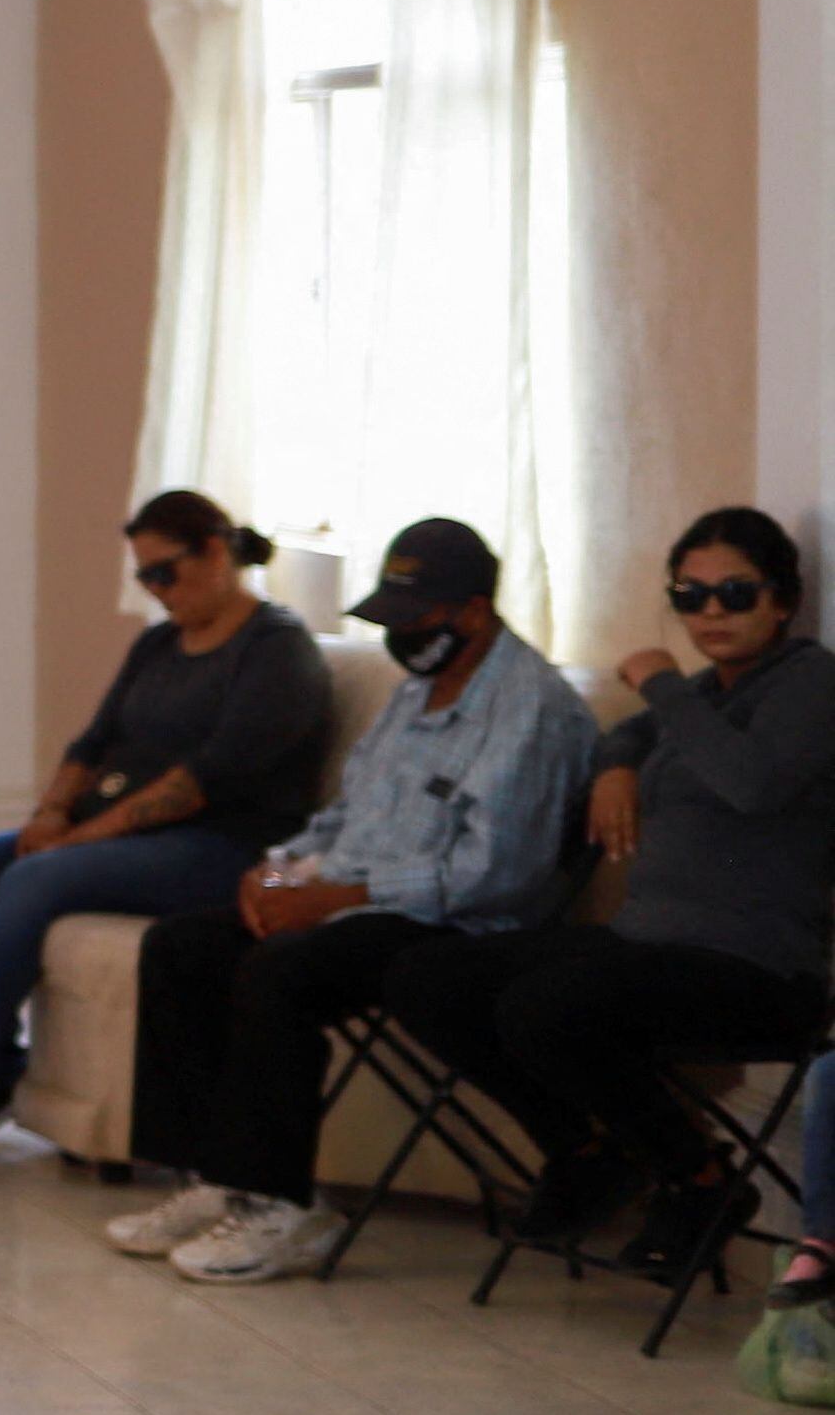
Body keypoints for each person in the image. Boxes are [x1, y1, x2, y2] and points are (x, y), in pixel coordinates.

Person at [104, 519, 594, 1283]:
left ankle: (282, 1205)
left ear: (473, 611)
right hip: (350, 900)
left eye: (415, 618)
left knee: (281, 969)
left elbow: (494, 874)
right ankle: (214, 1178)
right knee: (181, 946)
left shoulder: (532, 709)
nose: (400, 636)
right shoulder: (418, 690)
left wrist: (337, 898)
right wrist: (278, 871)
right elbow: (346, 814)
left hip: (450, 925)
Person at [404, 509, 835, 1281]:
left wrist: (661, 683)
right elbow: (632, 733)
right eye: (690, 595)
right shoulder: (706, 693)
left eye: (736, 592)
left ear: (784, 600)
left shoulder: (811, 682)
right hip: (647, 944)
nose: (711, 611)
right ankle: (586, 1152)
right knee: (430, 977)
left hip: (757, 966)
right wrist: (616, 763)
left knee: (547, 1005)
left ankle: (699, 1177)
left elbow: (752, 783)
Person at [0, 490, 333, 1145]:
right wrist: (51, 813)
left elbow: (202, 783)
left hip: (221, 845)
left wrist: (75, 841)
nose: (156, 590)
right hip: (120, 834)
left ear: (215, 553)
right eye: (144, 576)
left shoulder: (277, 650)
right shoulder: (160, 643)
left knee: (37, 878)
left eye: (165, 572)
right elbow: (94, 741)